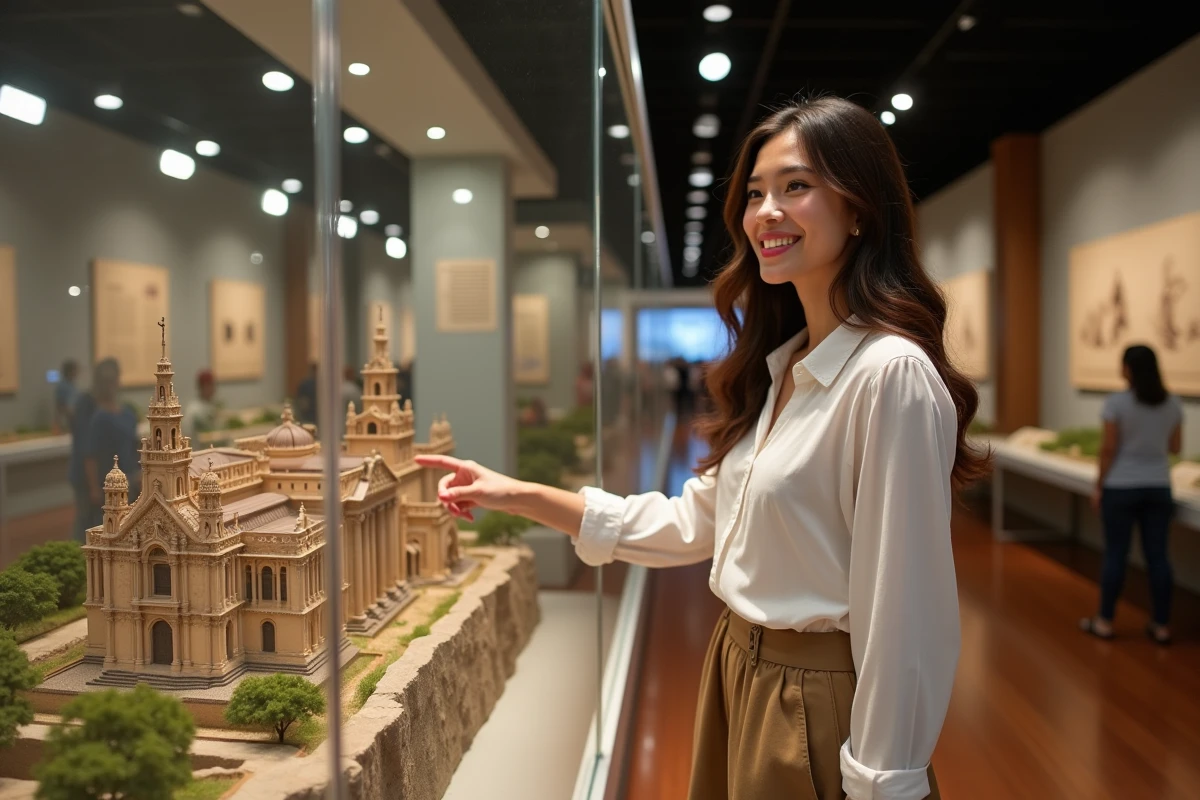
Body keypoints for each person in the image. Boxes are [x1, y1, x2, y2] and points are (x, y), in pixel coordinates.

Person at [418, 96, 987, 800]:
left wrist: (883, 782)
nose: (765, 213)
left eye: (796, 186)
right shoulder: (785, 370)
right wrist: (517, 494)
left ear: (861, 208)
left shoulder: (887, 375)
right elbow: (695, 524)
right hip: (739, 677)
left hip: (818, 701)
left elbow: (906, 617)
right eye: (755, 194)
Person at [1080, 345, 1183, 645]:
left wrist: (1099, 485)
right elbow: (1175, 448)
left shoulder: (1116, 404)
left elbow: (1108, 449)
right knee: (1158, 557)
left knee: (1116, 554)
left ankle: (1105, 622)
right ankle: (1162, 625)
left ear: (1128, 369)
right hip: (1158, 487)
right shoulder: (1172, 403)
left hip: (1121, 488)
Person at [84, 359, 141, 511]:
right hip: (110, 483)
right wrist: (94, 488)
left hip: (132, 479)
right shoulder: (99, 418)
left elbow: (134, 447)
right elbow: (91, 456)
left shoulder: (128, 414)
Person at [67, 385, 98, 542]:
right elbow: (88, 453)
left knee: (85, 517)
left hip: (81, 474)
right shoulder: (89, 409)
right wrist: (93, 486)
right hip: (83, 475)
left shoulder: (82, 405)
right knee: (85, 519)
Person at [183, 368, 220, 443]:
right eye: (210, 385)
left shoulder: (212, 406)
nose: (213, 388)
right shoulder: (193, 409)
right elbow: (186, 432)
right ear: (202, 387)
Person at [53, 359, 80, 433]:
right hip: (68, 418)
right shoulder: (62, 386)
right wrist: (57, 425)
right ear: (69, 371)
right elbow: (59, 406)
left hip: (74, 419)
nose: (77, 373)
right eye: (75, 370)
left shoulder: (72, 386)